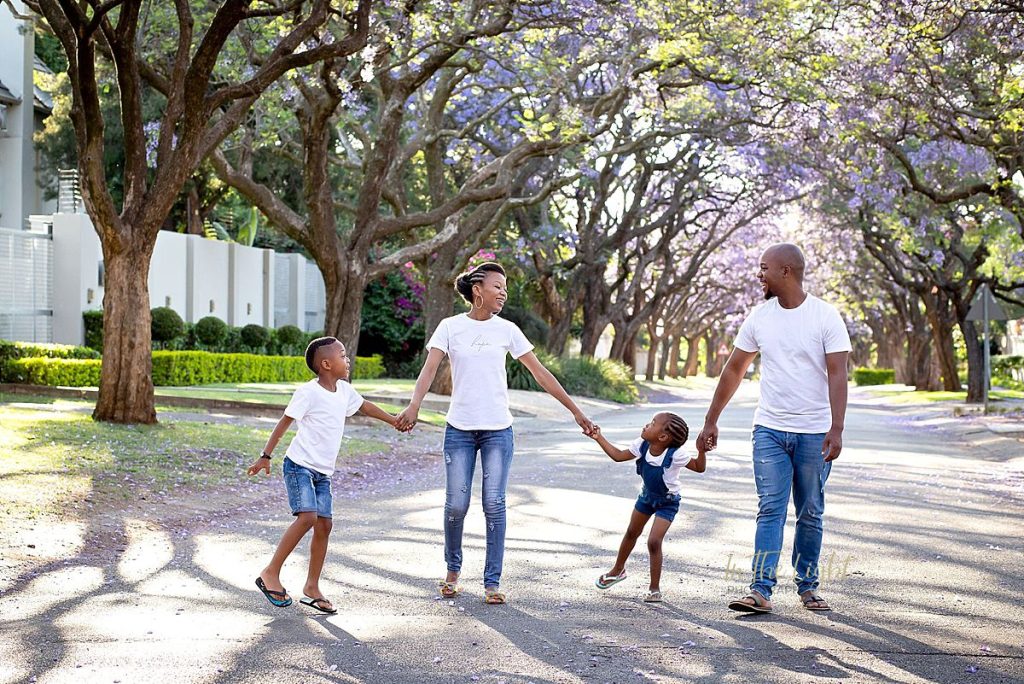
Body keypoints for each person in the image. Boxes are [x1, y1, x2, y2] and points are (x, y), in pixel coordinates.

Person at [395, 262, 596, 605]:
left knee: (494, 503)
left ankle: (492, 581)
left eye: (504, 288)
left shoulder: (508, 330)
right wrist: (414, 405)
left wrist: (576, 411)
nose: (503, 293)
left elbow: (540, 374)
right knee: (456, 504)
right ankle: (453, 570)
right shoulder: (450, 327)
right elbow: (429, 370)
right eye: (498, 287)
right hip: (459, 428)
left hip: (498, 431)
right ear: (478, 290)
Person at [696, 243, 851, 614]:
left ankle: (808, 585)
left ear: (787, 272)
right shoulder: (759, 318)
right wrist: (711, 418)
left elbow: (837, 374)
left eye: (764, 267)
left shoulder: (825, 317)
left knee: (810, 510)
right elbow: (734, 369)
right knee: (771, 509)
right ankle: (760, 590)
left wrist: (837, 427)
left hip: (815, 432)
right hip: (768, 429)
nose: (759, 274)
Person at [247, 336, 405, 613]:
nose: (348, 360)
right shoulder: (308, 392)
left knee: (324, 525)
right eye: (343, 355)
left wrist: (393, 421)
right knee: (308, 516)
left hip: (323, 473)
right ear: (326, 364)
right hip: (299, 465)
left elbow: (365, 406)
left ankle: (311, 587)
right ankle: (270, 572)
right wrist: (265, 455)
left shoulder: (343, 391)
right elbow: (285, 422)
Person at [590, 412, 705, 603]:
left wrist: (702, 451)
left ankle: (654, 588)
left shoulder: (676, 455)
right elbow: (618, 456)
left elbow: (699, 467)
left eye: (652, 424)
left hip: (668, 502)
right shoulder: (641, 446)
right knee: (631, 532)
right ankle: (617, 570)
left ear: (662, 437)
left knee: (653, 541)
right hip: (646, 497)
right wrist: (598, 437)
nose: (646, 425)